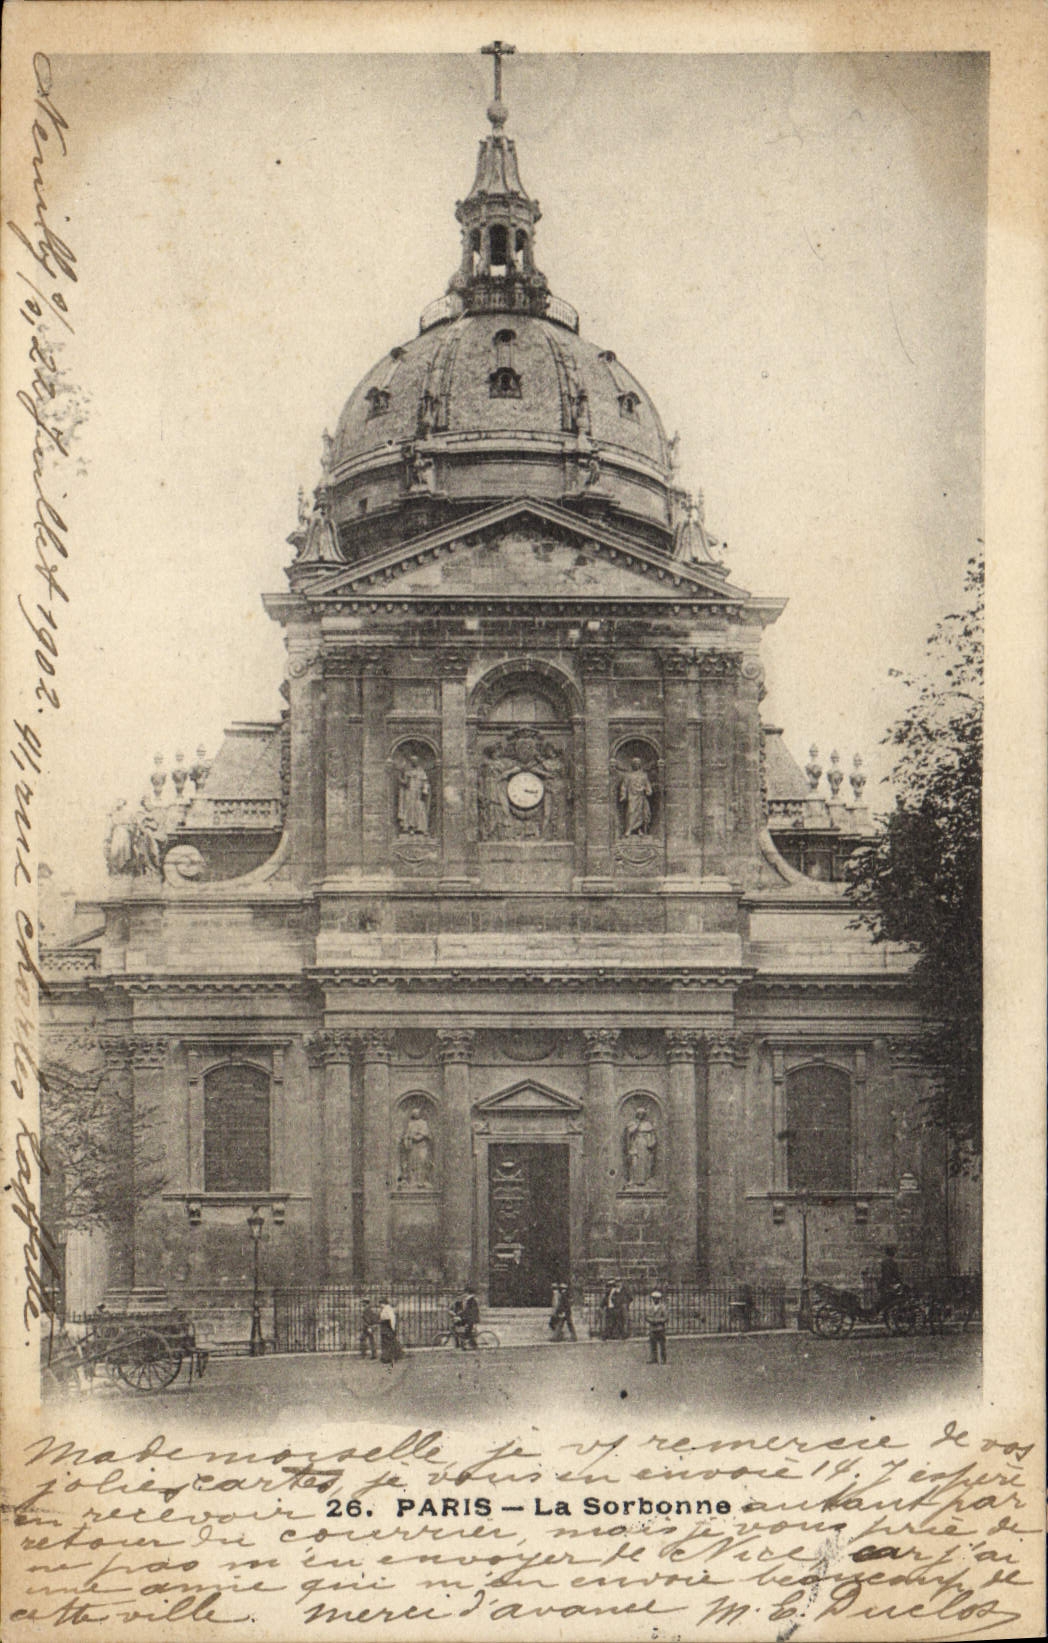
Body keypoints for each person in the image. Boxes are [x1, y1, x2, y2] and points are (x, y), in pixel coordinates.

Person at [877, 1246, 904, 1314]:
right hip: (888, 1284)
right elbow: (895, 1274)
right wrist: (901, 1281)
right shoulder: (892, 1262)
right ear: (893, 1253)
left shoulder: (884, 1262)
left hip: (883, 1284)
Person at [647, 1289, 668, 1364]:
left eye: (657, 1299)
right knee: (653, 1344)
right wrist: (651, 1320)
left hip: (660, 1328)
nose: (655, 1300)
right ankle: (654, 1358)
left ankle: (663, 1358)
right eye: (654, 1298)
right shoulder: (650, 1307)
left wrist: (658, 1321)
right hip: (652, 1328)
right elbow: (647, 1316)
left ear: (659, 1299)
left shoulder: (663, 1307)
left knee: (662, 1344)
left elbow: (665, 1317)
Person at [379, 1297, 401, 1364]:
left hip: (387, 1327)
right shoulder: (385, 1309)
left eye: (381, 1303)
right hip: (385, 1327)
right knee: (386, 1343)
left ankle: (389, 1357)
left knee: (388, 1343)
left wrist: (392, 1328)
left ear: (384, 1303)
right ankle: (387, 1357)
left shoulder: (388, 1309)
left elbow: (392, 1319)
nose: (380, 1305)